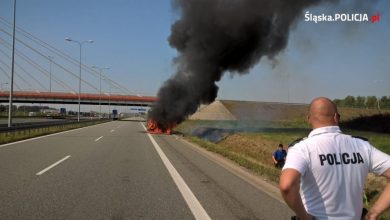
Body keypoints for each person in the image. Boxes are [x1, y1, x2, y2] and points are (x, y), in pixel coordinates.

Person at [279, 97, 390, 220]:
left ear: (309, 119)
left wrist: (305, 218)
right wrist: (373, 213)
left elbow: (287, 186)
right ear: (336, 117)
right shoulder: (362, 146)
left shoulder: (302, 148)